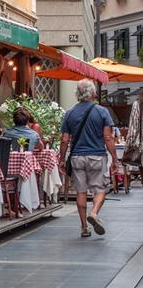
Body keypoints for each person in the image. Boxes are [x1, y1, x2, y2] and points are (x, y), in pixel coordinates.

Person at [59, 79, 118, 238]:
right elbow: (107, 137)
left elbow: (65, 139)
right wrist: (115, 158)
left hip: (77, 157)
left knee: (81, 192)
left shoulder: (70, 113)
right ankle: (94, 213)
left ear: (78, 94)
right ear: (92, 93)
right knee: (101, 189)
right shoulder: (102, 112)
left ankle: (84, 227)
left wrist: (62, 159)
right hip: (97, 156)